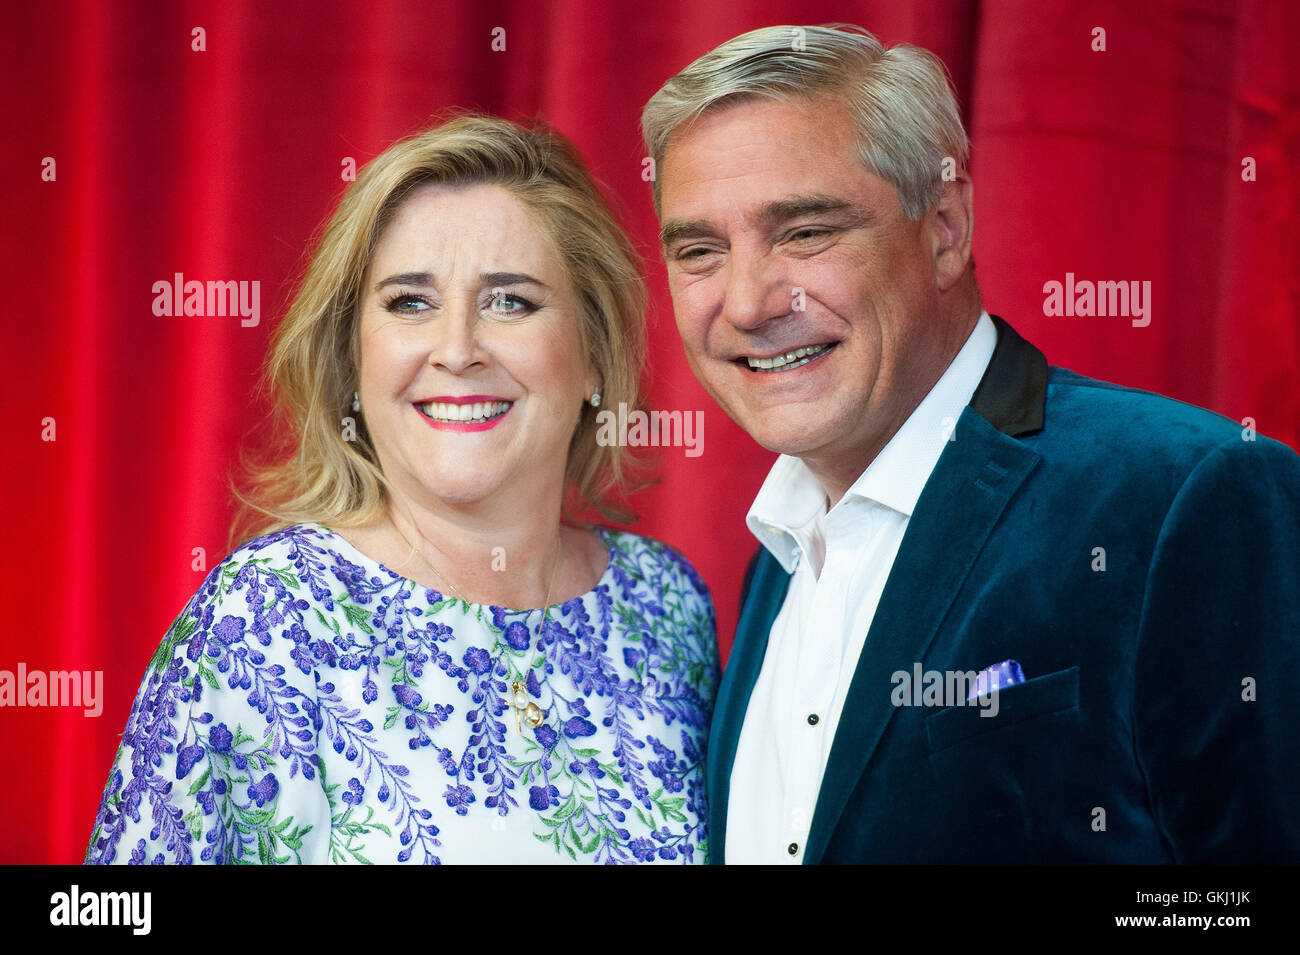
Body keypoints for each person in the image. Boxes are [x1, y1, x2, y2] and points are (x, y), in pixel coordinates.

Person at [642, 24, 1300, 863]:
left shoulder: (1186, 495)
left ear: (945, 228)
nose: (746, 302)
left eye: (805, 232)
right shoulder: (775, 558)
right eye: (700, 250)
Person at [84, 115, 718, 865]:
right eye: (409, 302)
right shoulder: (267, 619)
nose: (456, 349)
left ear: (593, 357)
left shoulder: (668, 606)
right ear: (353, 362)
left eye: (510, 301)